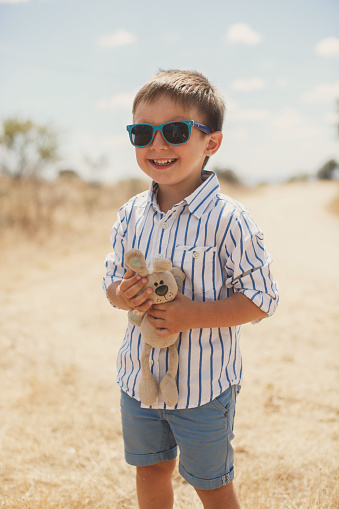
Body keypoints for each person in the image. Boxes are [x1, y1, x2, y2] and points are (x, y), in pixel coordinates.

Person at [103, 69, 279, 509]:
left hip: (204, 385)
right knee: (151, 469)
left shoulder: (228, 219)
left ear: (210, 143)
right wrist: (124, 295)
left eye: (176, 131)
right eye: (143, 133)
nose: (157, 145)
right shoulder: (131, 215)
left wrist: (191, 315)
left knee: (211, 483)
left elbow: (262, 299)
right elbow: (109, 284)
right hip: (139, 378)